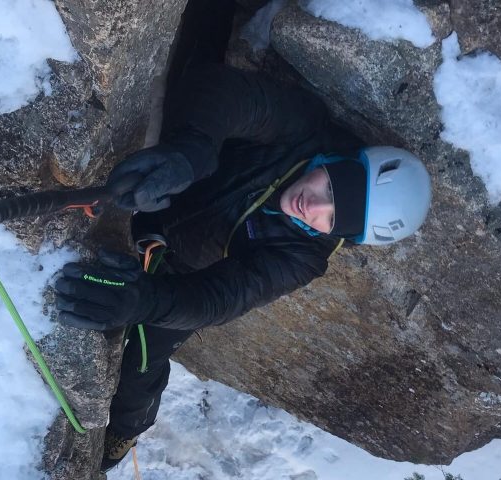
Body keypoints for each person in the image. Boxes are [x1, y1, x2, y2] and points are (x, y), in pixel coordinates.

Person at [53, 63, 432, 471]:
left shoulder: (301, 257)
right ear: (338, 160)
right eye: (332, 187)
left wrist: (142, 300)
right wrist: (193, 149)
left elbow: (223, 297)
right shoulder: (304, 129)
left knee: (146, 355)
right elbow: (232, 95)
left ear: (344, 236)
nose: (314, 206)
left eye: (335, 219)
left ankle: (126, 428)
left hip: (181, 266)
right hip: (174, 175)